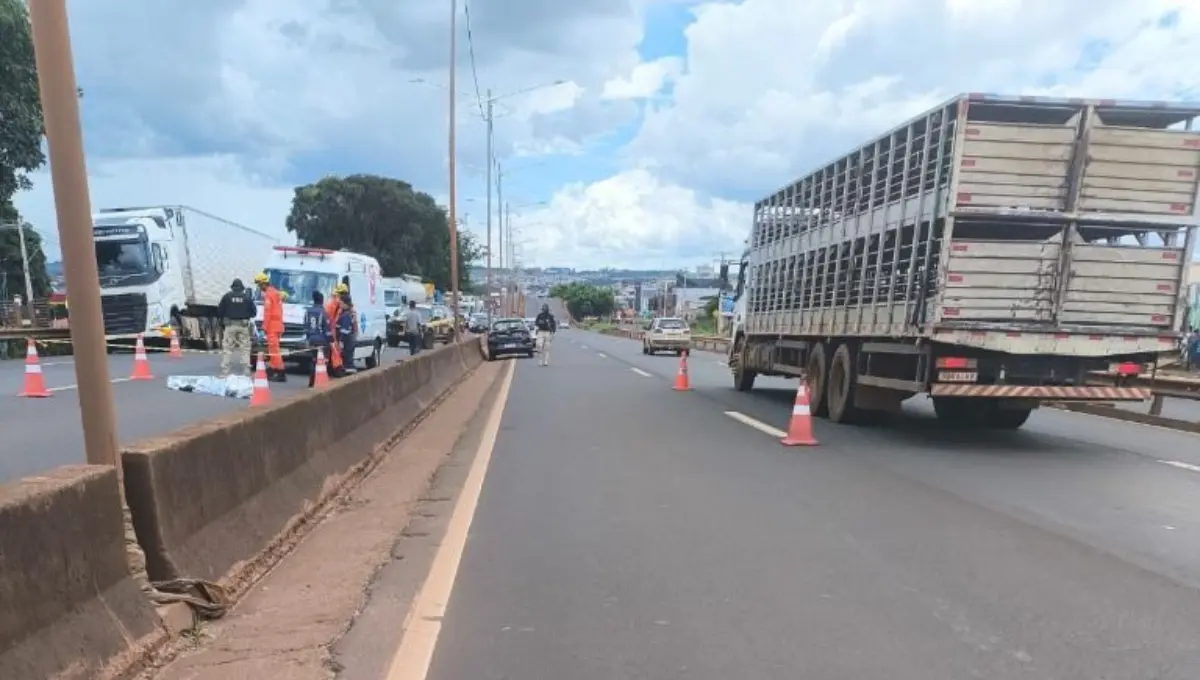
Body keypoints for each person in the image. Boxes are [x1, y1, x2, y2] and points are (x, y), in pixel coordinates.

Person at [217, 278, 256, 377]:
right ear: (242, 288)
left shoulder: (227, 297)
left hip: (230, 325)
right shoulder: (247, 298)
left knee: (227, 349)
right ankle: (246, 371)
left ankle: (225, 372)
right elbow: (254, 312)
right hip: (243, 325)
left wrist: (224, 318)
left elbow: (220, 311)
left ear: (233, 287)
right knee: (245, 349)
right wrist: (246, 317)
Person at [254, 272, 287, 382]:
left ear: (264, 284)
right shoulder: (276, 292)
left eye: (259, 285)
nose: (259, 288)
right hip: (278, 325)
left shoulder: (268, 295)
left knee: (274, 351)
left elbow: (268, 313)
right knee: (273, 350)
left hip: (272, 326)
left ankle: (280, 372)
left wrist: (263, 328)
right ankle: (272, 369)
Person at [304, 290, 333, 386]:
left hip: (311, 339)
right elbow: (327, 328)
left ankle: (311, 382)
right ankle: (321, 381)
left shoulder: (308, 311)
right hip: (322, 340)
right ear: (322, 301)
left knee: (314, 359)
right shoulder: (323, 312)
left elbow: (305, 326)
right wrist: (331, 340)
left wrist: (308, 339)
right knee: (323, 361)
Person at [324, 283, 348, 376]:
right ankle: (338, 368)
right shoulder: (335, 303)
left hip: (332, 328)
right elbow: (330, 318)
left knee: (334, 349)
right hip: (332, 328)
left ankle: (336, 367)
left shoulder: (333, 302)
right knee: (335, 349)